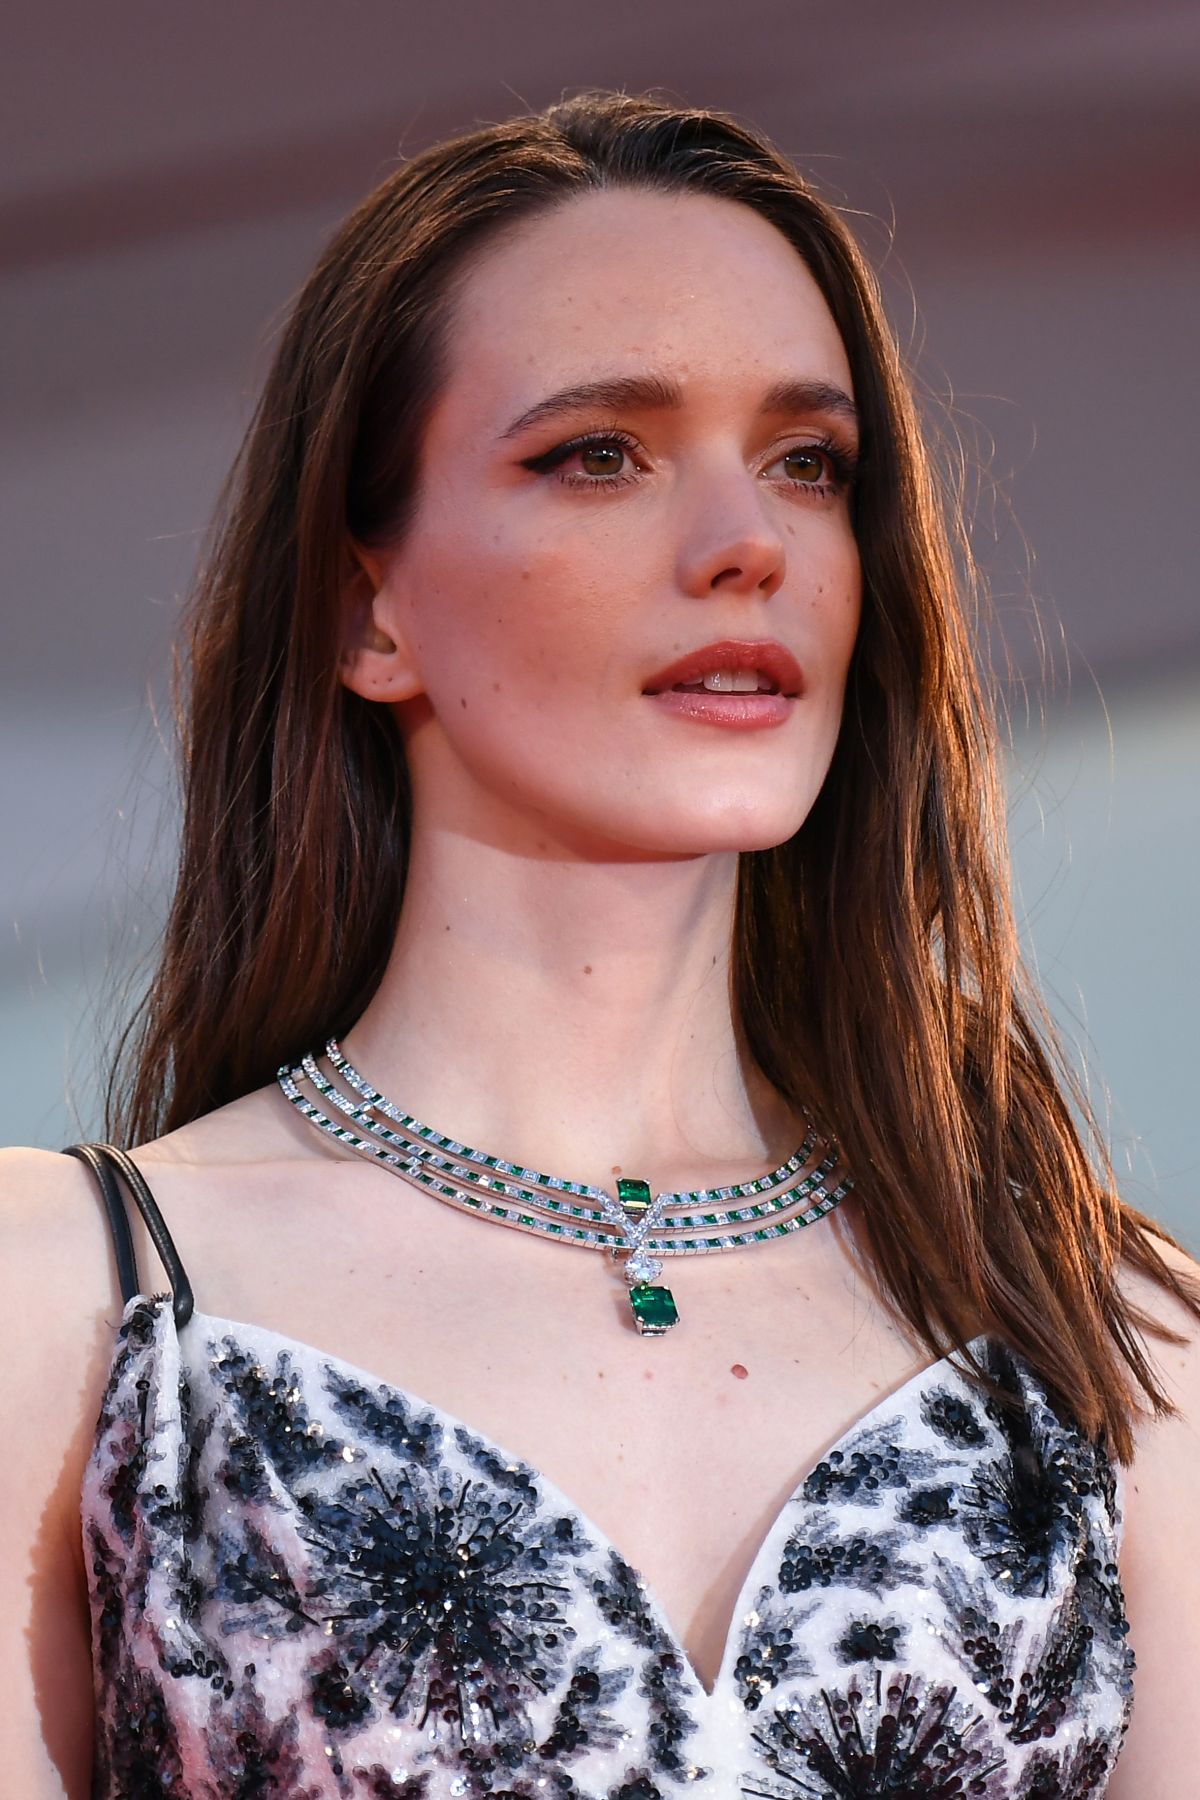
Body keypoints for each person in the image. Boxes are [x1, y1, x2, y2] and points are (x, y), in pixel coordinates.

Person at [2, 88, 1197, 1798]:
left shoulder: (1111, 1347)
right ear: (367, 606)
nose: (747, 547)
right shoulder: (66, 1301)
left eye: (810, 463)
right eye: (599, 456)